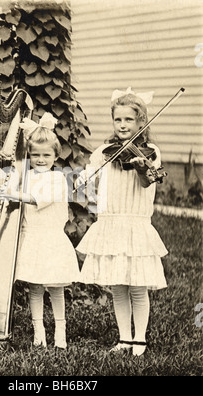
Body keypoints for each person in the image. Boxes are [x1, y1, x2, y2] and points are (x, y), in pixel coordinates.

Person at [76, 88, 168, 356]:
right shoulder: (106, 151)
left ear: (141, 122)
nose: (123, 125)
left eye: (129, 120)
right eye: (118, 120)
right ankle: (124, 338)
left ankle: (140, 339)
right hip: (111, 222)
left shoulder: (150, 152)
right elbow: (87, 178)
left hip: (135, 223)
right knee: (118, 286)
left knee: (137, 286)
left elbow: (146, 181)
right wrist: (84, 179)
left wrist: (142, 169)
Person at [0, 112, 79, 349]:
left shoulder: (58, 179)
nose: (41, 159)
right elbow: (7, 183)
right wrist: (5, 162)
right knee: (34, 287)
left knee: (55, 287)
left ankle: (61, 334)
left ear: (55, 155)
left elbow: (37, 199)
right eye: (35, 155)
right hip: (32, 239)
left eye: (46, 155)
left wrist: (16, 194)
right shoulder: (25, 175)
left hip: (51, 240)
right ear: (29, 155)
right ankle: (39, 333)